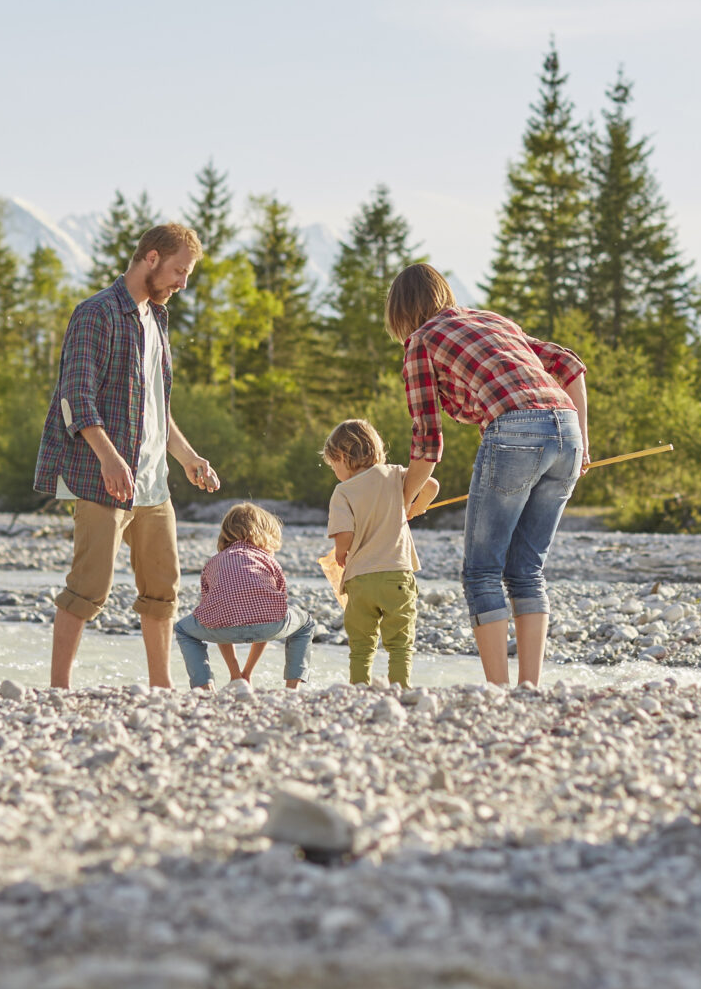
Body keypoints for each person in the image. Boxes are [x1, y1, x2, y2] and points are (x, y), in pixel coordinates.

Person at [35, 223, 221, 688]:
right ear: (152, 258)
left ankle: (162, 687)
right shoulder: (95, 313)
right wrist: (109, 457)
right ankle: (58, 689)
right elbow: (76, 396)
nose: (182, 283)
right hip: (104, 478)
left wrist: (188, 457)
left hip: (153, 485)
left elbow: (156, 406)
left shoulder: (155, 318)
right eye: (179, 271)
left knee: (163, 589)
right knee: (88, 588)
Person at [386, 264, 586, 688]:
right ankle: (529, 687)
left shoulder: (420, 342)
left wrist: (400, 507)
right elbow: (569, 365)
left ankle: (497, 689)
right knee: (527, 569)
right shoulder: (493, 321)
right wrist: (583, 441)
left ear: (401, 313)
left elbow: (427, 443)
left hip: (514, 432)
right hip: (567, 432)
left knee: (481, 571)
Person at [321, 418, 436, 687]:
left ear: (342, 456)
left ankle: (359, 688)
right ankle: (401, 688)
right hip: (397, 575)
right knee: (400, 643)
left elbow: (345, 537)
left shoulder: (342, 492)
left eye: (332, 464)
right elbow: (431, 485)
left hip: (361, 579)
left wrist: (340, 553)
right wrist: (416, 507)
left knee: (361, 645)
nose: (334, 470)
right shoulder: (395, 474)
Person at [174, 503, 314, 689]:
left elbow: (214, 614)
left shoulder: (213, 562)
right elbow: (273, 608)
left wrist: (236, 675)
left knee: (183, 629)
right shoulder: (268, 561)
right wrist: (247, 673)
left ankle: (204, 688)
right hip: (269, 626)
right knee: (306, 624)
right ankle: (292, 689)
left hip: (222, 628)